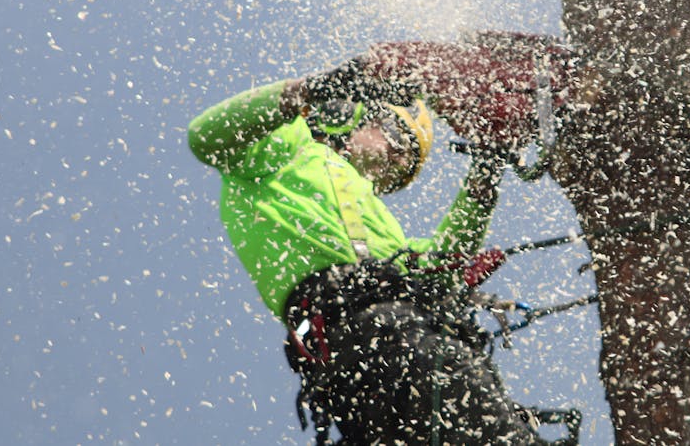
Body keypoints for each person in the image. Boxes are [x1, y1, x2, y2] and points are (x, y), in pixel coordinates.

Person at [187, 44, 575, 445]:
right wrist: (315, 89)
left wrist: (486, 170)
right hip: (371, 335)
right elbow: (203, 137)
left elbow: (442, 264)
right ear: (352, 116)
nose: (398, 160)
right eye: (397, 138)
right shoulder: (283, 148)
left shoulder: (378, 228)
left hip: (374, 350)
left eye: (406, 168)